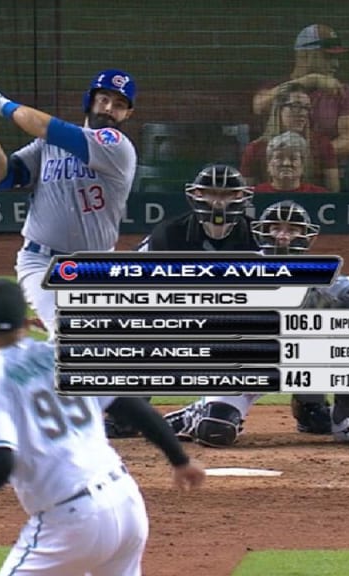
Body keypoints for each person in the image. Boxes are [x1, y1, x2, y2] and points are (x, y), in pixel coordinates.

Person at [0, 278, 205, 575]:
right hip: (127, 503)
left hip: (71, 521)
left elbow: (0, 462)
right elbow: (135, 408)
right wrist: (180, 460)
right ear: (25, 323)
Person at [165, 200, 349, 447]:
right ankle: (196, 413)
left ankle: (343, 418)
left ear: (307, 237)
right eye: (275, 228)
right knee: (216, 432)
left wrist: (341, 307)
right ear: (262, 232)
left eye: (291, 229)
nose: (282, 236)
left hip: (297, 359)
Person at [0, 70, 138, 340]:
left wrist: (1, 105)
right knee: (69, 337)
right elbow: (3, 176)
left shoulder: (117, 146)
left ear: (128, 114)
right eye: (103, 99)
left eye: (119, 105)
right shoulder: (49, 146)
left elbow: (46, 127)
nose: (109, 109)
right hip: (42, 262)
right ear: (89, 101)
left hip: (96, 267)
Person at [103, 164, 258, 438]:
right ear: (195, 195)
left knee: (216, 428)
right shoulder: (169, 234)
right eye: (210, 194)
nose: (218, 202)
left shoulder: (258, 239)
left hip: (236, 335)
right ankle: (129, 411)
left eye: (226, 195)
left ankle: (311, 408)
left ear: (241, 197)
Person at [251, 24, 349, 188]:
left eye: (337, 58)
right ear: (304, 55)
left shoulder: (342, 91)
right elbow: (259, 105)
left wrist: (303, 156)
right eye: (328, 57)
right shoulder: (277, 87)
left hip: (327, 172)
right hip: (277, 175)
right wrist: (309, 80)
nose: (336, 64)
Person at [240, 82, 339, 191]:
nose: (303, 113)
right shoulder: (255, 149)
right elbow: (245, 194)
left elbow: (333, 193)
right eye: (295, 106)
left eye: (306, 108)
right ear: (279, 109)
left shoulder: (322, 145)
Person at [254, 131, 330, 193]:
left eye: (293, 158)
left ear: (302, 165)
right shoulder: (254, 195)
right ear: (268, 165)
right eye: (279, 157)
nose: (286, 163)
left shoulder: (320, 195)